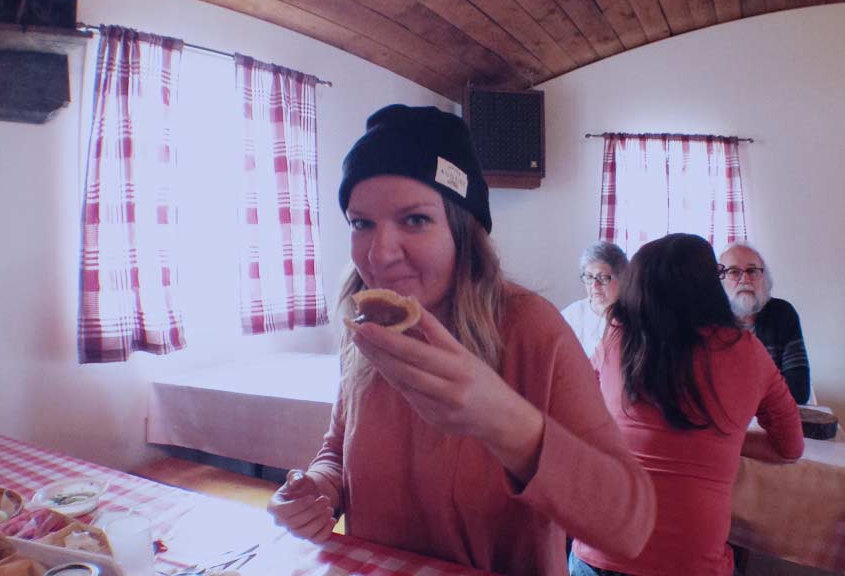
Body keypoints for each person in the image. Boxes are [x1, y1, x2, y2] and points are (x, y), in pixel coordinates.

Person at [267, 104, 656, 576]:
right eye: (360, 222)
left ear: (462, 229)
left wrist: (501, 419)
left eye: (414, 220)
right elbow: (337, 447)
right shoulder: (367, 327)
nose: (379, 252)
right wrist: (319, 489)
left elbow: (630, 526)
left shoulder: (530, 327)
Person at [570, 233, 804, 576]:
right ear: (711, 286)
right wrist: (724, 440)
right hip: (690, 560)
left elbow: (578, 408)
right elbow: (790, 448)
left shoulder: (617, 337)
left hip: (599, 551)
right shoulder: (747, 351)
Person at [719, 242, 812, 404]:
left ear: (765, 279)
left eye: (752, 271)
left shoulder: (782, 314)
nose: (745, 279)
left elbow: (799, 391)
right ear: (720, 281)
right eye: (734, 272)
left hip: (771, 420)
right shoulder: (708, 318)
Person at [561, 242, 628, 358]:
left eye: (602, 277)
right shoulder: (572, 315)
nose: (594, 285)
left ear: (621, 278)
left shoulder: (633, 317)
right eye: (589, 277)